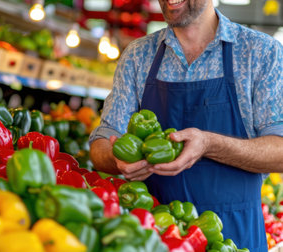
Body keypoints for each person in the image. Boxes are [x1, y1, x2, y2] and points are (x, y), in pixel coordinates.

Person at [88, 0, 283, 250]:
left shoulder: (260, 53)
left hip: (236, 238)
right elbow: (101, 143)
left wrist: (209, 144)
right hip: (156, 236)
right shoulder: (138, 55)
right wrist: (115, 159)